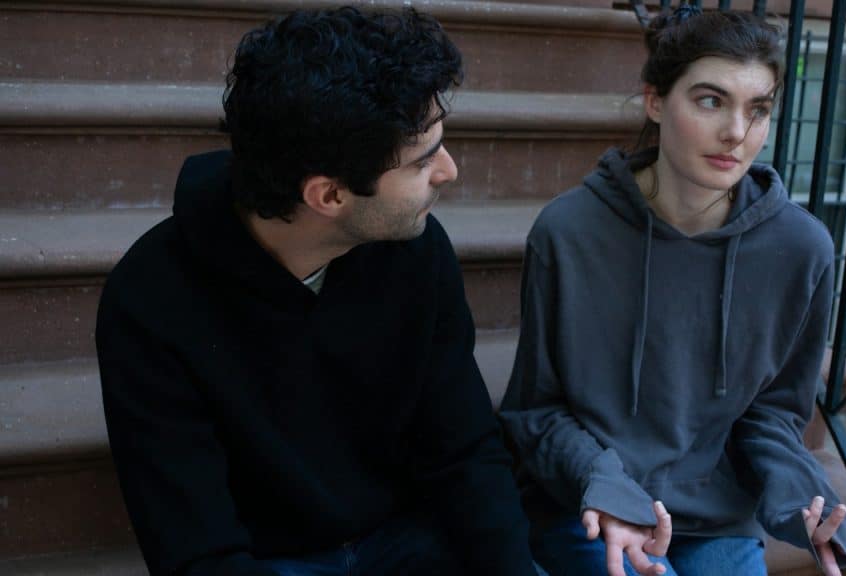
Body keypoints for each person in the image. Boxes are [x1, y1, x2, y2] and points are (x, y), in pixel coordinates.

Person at [96, 7, 538, 575]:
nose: (448, 171)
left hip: (413, 540)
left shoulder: (415, 250)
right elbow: (197, 554)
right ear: (328, 196)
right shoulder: (151, 301)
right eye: (424, 159)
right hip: (272, 562)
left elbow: (465, 452)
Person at [499, 6, 846, 576]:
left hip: (716, 516)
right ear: (656, 100)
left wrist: (800, 501)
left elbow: (774, 414)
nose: (737, 133)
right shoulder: (569, 232)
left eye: (757, 109)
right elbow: (536, 410)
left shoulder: (801, 248)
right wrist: (605, 488)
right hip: (589, 503)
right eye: (711, 101)